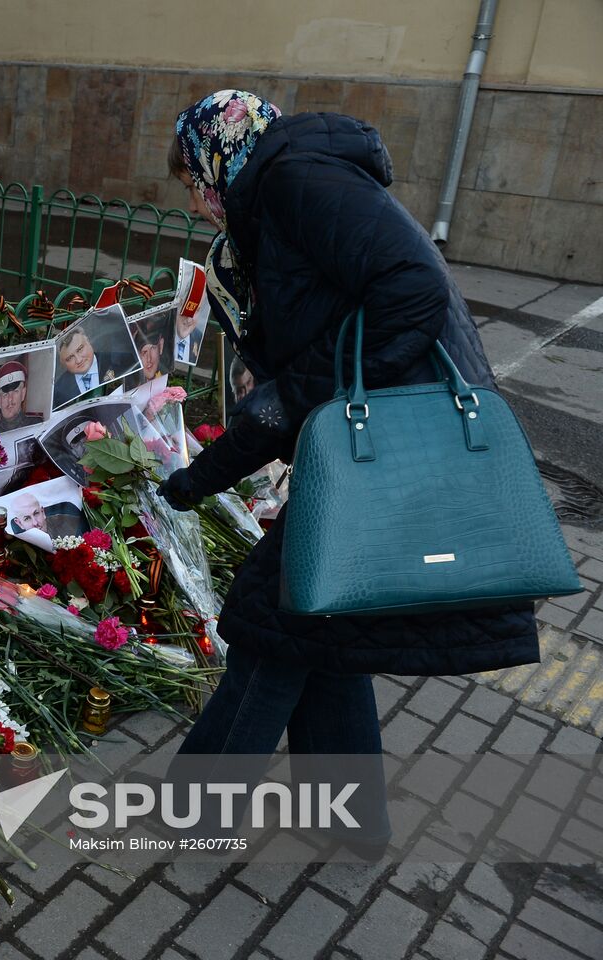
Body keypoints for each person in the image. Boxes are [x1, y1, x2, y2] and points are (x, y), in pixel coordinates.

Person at [156, 91, 538, 846]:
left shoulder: (297, 181)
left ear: (217, 155)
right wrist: (209, 467)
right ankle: (354, 822)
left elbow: (414, 291)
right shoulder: (279, 191)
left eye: (190, 182)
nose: (196, 202)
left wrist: (298, 395)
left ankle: (194, 814)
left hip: (396, 445)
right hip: (379, 444)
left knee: (277, 623)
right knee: (326, 629)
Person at [53, 329, 114, 407]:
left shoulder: (120, 362)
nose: (79, 360)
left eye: (80, 349)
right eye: (70, 358)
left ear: (88, 341)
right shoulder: (59, 391)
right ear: (63, 364)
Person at [0, 360, 35, 433]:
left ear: (23, 394)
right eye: (5, 395)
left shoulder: (37, 424)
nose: (10, 399)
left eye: (15, 392)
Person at [8, 491, 86, 541]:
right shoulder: (19, 545)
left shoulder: (67, 525)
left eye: (36, 513)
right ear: (19, 523)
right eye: (27, 519)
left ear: (43, 512)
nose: (35, 523)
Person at [172, 298, 205, 365]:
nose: (189, 320)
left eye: (196, 311)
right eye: (185, 310)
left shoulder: (198, 336)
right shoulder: (159, 334)